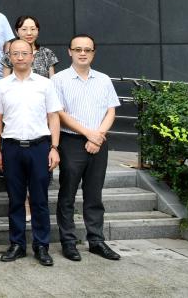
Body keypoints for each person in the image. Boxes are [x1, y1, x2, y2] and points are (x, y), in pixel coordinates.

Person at [0, 38, 62, 267]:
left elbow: (53, 116)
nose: (20, 57)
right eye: (15, 53)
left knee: (40, 200)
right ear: (9, 57)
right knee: (15, 199)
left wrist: (54, 147)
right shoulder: (1, 86)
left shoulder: (45, 84)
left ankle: (41, 246)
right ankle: (17, 244)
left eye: (24, 53)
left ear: (33, 56)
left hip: (40, 147)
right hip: (11, 147)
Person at [53, 35, 122, 263]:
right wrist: (87, 133)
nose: (83, 53)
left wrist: (98, 135)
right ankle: (68, 242)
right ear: (69, 52)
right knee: (67, 194)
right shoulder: (59, 80)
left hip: (99, 142)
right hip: (71, 141)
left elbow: (111, 110)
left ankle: (96, 240)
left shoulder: (103, 79)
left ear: (93, 52)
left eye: (87, 50)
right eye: (78, 49)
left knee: (94, 194)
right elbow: (59, 113)